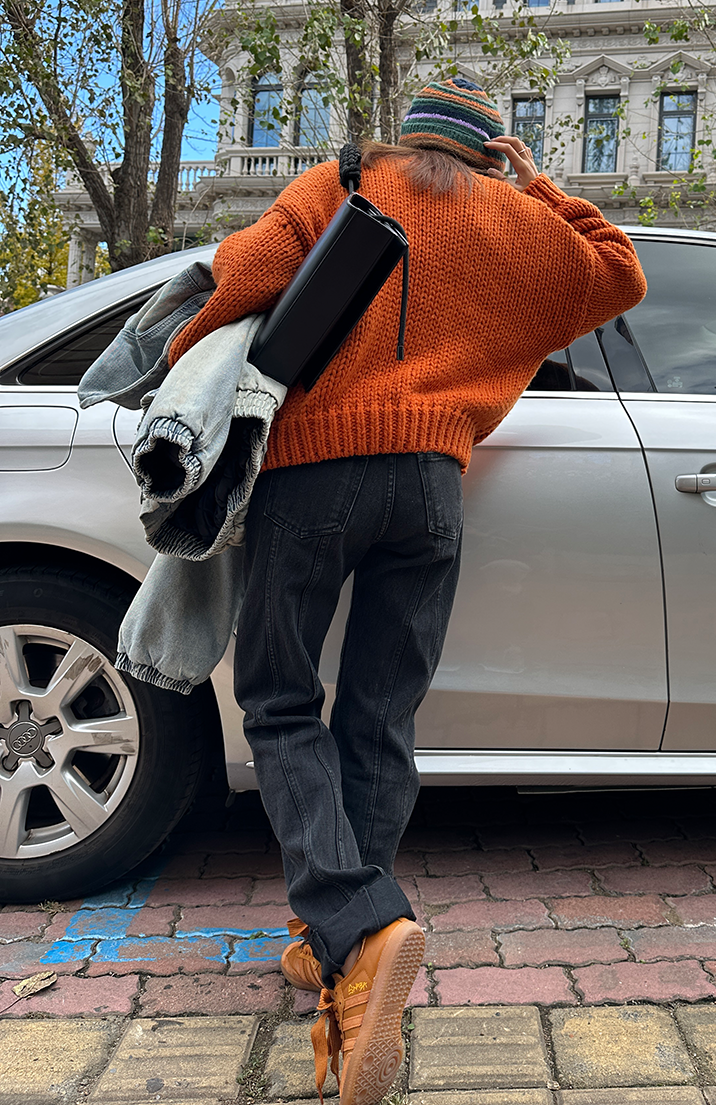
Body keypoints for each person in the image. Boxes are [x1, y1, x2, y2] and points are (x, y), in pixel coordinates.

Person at [166, 76, 647, 1105]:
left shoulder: (339, 184)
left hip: (311, 475)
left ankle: (359, 924)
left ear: (402, 135)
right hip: (430, 486)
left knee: (281, 700)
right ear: (486, 153)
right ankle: (333, 943)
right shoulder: (517, 223)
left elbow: (235, 284)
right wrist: (538, 182)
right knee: (379, 715)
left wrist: (177, 368)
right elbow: (618, 271)